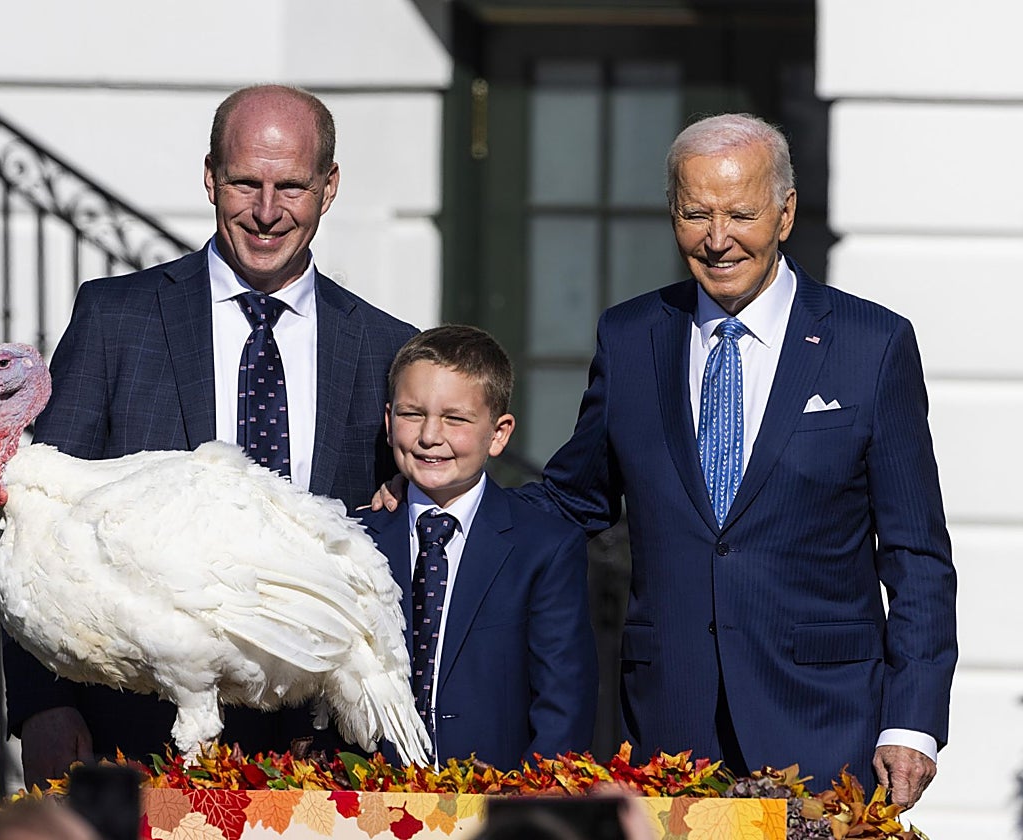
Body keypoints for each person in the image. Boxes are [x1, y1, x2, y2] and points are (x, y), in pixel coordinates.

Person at [376, 114, 956, 808]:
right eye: (695, 214)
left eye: (740, 213)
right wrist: (437, 495)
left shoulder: (873, 344)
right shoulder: (632, 338)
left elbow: (916, 553)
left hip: (827, 724)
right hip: (670, 726)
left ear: (786, 213)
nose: (718, 239)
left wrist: (913, 721)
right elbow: (573, 498)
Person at [5, 84, 417, 787]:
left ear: (330, 186)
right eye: (243, 182)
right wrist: (42, 706)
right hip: (137, 736)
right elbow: (32, 519)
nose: (265, 211)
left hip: (320, 750)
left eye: (291, 186)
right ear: (208, 177)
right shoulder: (116, 320)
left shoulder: (387, 348)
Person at [359, 326, 597, 767]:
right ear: (389, 422)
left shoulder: (545, 548)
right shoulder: (352, 538)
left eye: (456, 419)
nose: (430, 435)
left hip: (499, 806)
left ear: (499, 433)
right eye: (413, 414)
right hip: (365, 809)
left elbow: (563, 706)